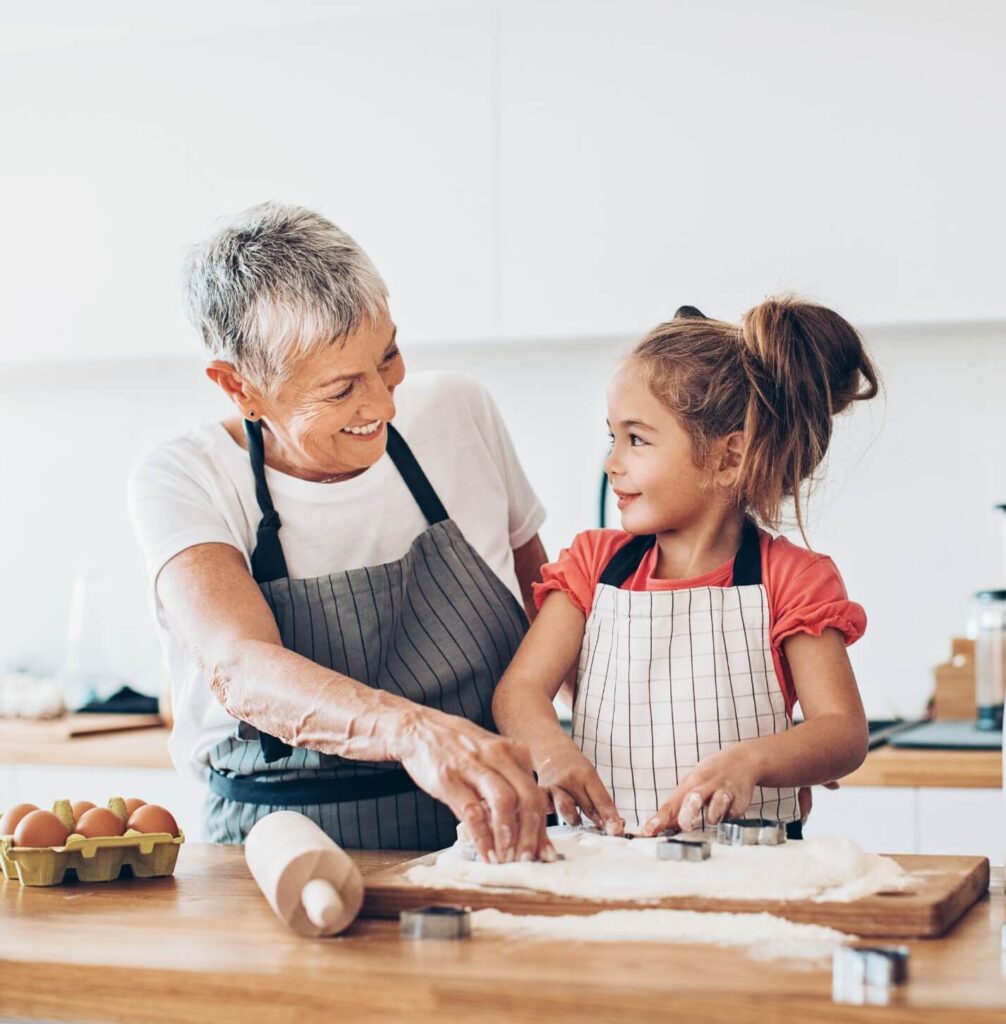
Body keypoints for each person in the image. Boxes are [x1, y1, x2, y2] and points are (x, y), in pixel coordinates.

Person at [128, 202, 553, 861]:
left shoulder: (458, 412)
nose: (383, 405)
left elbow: (547, 608)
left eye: (388, 358)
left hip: (493, 834)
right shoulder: (184, 479)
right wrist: (414, 733)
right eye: (340, 388)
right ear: (239, 387)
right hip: (278, 852)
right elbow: (240, 666)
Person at [492, 298, 878, 838]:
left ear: (729, 458)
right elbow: (519, 691)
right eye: (613, 436)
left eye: (637, 439)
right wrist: (552, 752)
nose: (612, 463)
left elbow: (842, 732)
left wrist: (750, 762)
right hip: (608, 858)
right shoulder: (593, 565)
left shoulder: (791, 580)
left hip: (751, 864)